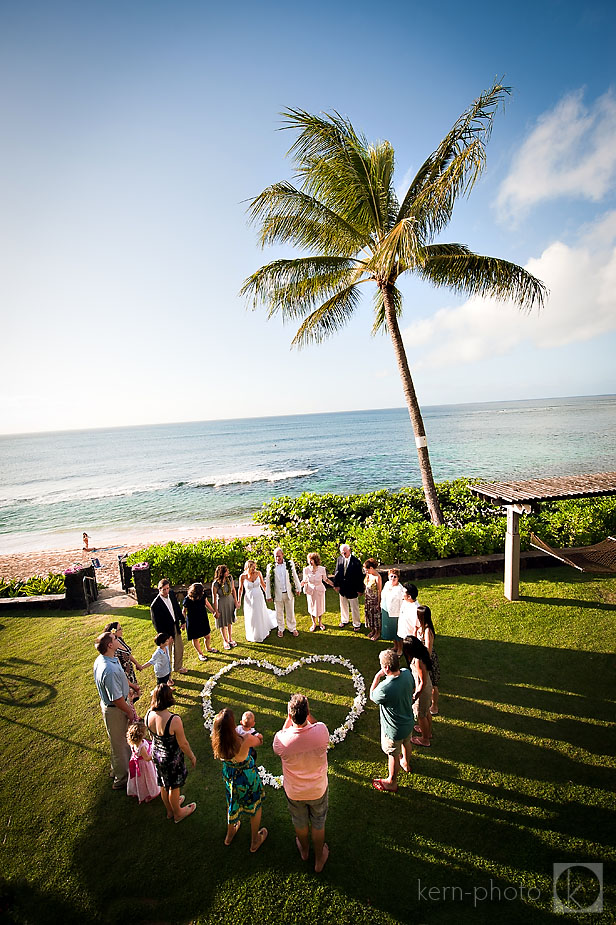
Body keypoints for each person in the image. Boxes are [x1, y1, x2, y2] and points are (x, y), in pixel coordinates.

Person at [273, 693, 330, 873]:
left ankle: (305, 850)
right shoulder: (321, 731)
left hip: (294, 792)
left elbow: (283, 733)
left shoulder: (281, 740)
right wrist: (305, 715)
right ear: (308, 712)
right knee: (318, 823)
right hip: (318, 789)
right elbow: (312, 724)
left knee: (300, 823)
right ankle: (319, 857)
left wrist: (290, 718)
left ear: (290, 716)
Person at [211, 708, 267, 852]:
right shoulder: (245, 740)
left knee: (232, 803)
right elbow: (260, 741)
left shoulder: (218, 741)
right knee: (255, 805)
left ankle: (229, 836)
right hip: (246, 778)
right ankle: (254, 840)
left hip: (230, 777)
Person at [145, 683, 197, 823]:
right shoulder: (174, 720)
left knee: (163, 783)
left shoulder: (148, 714)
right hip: (171, 759)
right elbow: (183, 744)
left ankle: (169, 810)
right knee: (174, 787)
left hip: (156, 754)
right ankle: (178, 813)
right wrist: (192, 756)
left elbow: (152, 737)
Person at [93, 631, 137, 790]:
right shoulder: (107, 669)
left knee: (117, 742)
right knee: (120, 746)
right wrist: (130, 711)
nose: (118, 639)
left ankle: (115, 770)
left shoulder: (108, 658)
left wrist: (131, 687)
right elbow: (116, 698)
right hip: (115, 710)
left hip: (119, 704)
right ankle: (122, 779)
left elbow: (121, 679)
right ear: (110, 645)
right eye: (115, 638)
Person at [369, 649, 415, 792]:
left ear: (386, 668)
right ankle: (406, 763)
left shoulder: (385, 688)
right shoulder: (407, 673)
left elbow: (372, 696)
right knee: (407, 742)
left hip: (394, 729)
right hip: (408, 721)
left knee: (393, 754)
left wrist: (377, 677)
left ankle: (392, 781)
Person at [150, 578, 187, 675]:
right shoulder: (155, 605)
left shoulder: (171, 594)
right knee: (167, 653)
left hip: (175, 626)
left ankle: (178, 667)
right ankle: (167, 674)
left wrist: (182, 620)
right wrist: (166, 636)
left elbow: (177, 608)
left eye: (167, 588)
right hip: (165, 631)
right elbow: (157, 624)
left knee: (179, 648)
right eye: (164, 589)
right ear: (159, 589)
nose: (166, 591)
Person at [402, 635, 433, 746]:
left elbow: (422, 682)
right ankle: (427, 732)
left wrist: (416, 696)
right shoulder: (422, 654)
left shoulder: (418, 661)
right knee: (426, 711)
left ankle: (425, 739)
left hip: (423, 690)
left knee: (421, 715)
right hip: (427, 687)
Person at [103, 621, 142, 704]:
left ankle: (134, 715)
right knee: (129, 698)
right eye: (120, 628)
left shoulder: (119, 640)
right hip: (124, 677)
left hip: (130, 672)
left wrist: (136, 663)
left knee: (134, 698)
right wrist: (130, 684)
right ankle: (132, 715)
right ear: (114, 632)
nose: (122, 630)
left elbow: (128, 654)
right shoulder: (113, 648)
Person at [265, 547, 301, 638]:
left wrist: (298, 588)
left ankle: (292, 628)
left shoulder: (289, 564)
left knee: (290, 612)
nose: (277, 558)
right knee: (279, 612)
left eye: (279, 556)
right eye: (276, 556)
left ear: (283, 555)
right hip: (277, 594)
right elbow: (268, 581)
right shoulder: (270, 566)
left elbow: (294, 576)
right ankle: (280, 629)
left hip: (289, 592)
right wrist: (268, 595)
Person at [238, 560, 277, 643]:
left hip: (259, 597)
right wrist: (238, 600)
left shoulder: (258, 573)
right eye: (252, 568)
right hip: (249, 599)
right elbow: (240, 589)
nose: (254, 569)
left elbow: (263, 585)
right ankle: (253, 633)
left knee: (260, 613)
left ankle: (264, 631)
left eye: (255, 567)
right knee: (252, 616)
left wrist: (268, 595)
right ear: (248, 567)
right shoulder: (243, 577)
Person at [126, 720, 161, 804]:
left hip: (139, 764)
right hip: (145, 766)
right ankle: (150, 792)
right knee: (148, 779)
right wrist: (154, 755)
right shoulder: (142, 747)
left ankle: (142, 792)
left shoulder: (134, 743)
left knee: (141, 780)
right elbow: (147, 758)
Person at [182, 582, 219, 661]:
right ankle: (200, 653)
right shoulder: (187, 599)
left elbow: (207, 603)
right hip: (192, 621)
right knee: (195, 638)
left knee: (207, 636)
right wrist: (183, 622)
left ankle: (208, 648)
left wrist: (213, 612)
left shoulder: (202, 595)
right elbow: (184, 611)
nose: (203, 592)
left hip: (203, 618)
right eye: (201, 591)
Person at [415, 604, 440, 716]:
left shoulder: (427, 631)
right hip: (421, 657)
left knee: (433, 684)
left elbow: (428, 649)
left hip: (428, 659)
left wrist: (424, 662)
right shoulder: (421, 628)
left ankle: (434, 705)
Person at [333, 543, 364, 631]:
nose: (343, 555)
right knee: (343, 605)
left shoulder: (356, 562)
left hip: (353, 588)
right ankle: (344, 620)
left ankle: (356, 623)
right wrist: (336, 584)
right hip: (342, 588)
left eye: (345, 553)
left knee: (354, 607)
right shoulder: (339, 559)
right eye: (342, 553)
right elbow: (337, 572)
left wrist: (360, 589)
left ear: (349, 550)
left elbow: (359, 577)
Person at [301, 552, 333, 632]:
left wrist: (333, 585)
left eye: (311, 560)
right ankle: (314, 623)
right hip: (310, 591)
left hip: (319, 590)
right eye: (309, 560)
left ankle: (320, 623)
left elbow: (325, 579)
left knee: (320, 606)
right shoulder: (306, 570)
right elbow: (304, 580)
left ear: (315, 560)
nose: (310, 562)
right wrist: (299, 586)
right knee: (311, 607)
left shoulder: (322, 569)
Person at [212, 564, 239, 650]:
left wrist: (236, 601)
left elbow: (233, 590)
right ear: (222, 573)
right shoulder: (215, 584)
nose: (228, 572)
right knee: (222, 622)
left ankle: (230, 638)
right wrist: (215, 611)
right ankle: (225, 640)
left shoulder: (230, 579)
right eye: (226, 571)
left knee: (229, 620)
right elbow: (214, 598)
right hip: (221, 603)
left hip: (230, 601)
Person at [381, 569, 406, 650]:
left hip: (396, 614)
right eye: (391, 576)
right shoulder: (387, 584)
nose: (393, 578)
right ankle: (395, 646)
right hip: (386, 611)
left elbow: (403, 603)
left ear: (398, 578)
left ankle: (400, 649)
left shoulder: (400, 589)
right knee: (391, 630)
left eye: (395, 576)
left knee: (397, 632)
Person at [363, 558, 383, 641]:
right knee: (369, 616)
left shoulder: (377, 577)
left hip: (374, 600)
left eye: (366, 570)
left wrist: (378, 603)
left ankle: (377, 632)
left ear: (371, 568)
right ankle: (373, 630)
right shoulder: (368, 575)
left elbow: (379, 591)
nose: (365, 571)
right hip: (368, 599)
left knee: (376, 617)